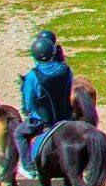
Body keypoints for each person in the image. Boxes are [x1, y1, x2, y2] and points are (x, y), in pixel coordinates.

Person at [14, 31, 75, 176]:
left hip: (43, 120)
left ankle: (28, 166)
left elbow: (28, 101)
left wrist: (28, 111)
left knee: (19, 134)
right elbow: (70, 88)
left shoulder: (32, 75)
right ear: (53, 52)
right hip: (66, 116)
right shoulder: (66, 69)